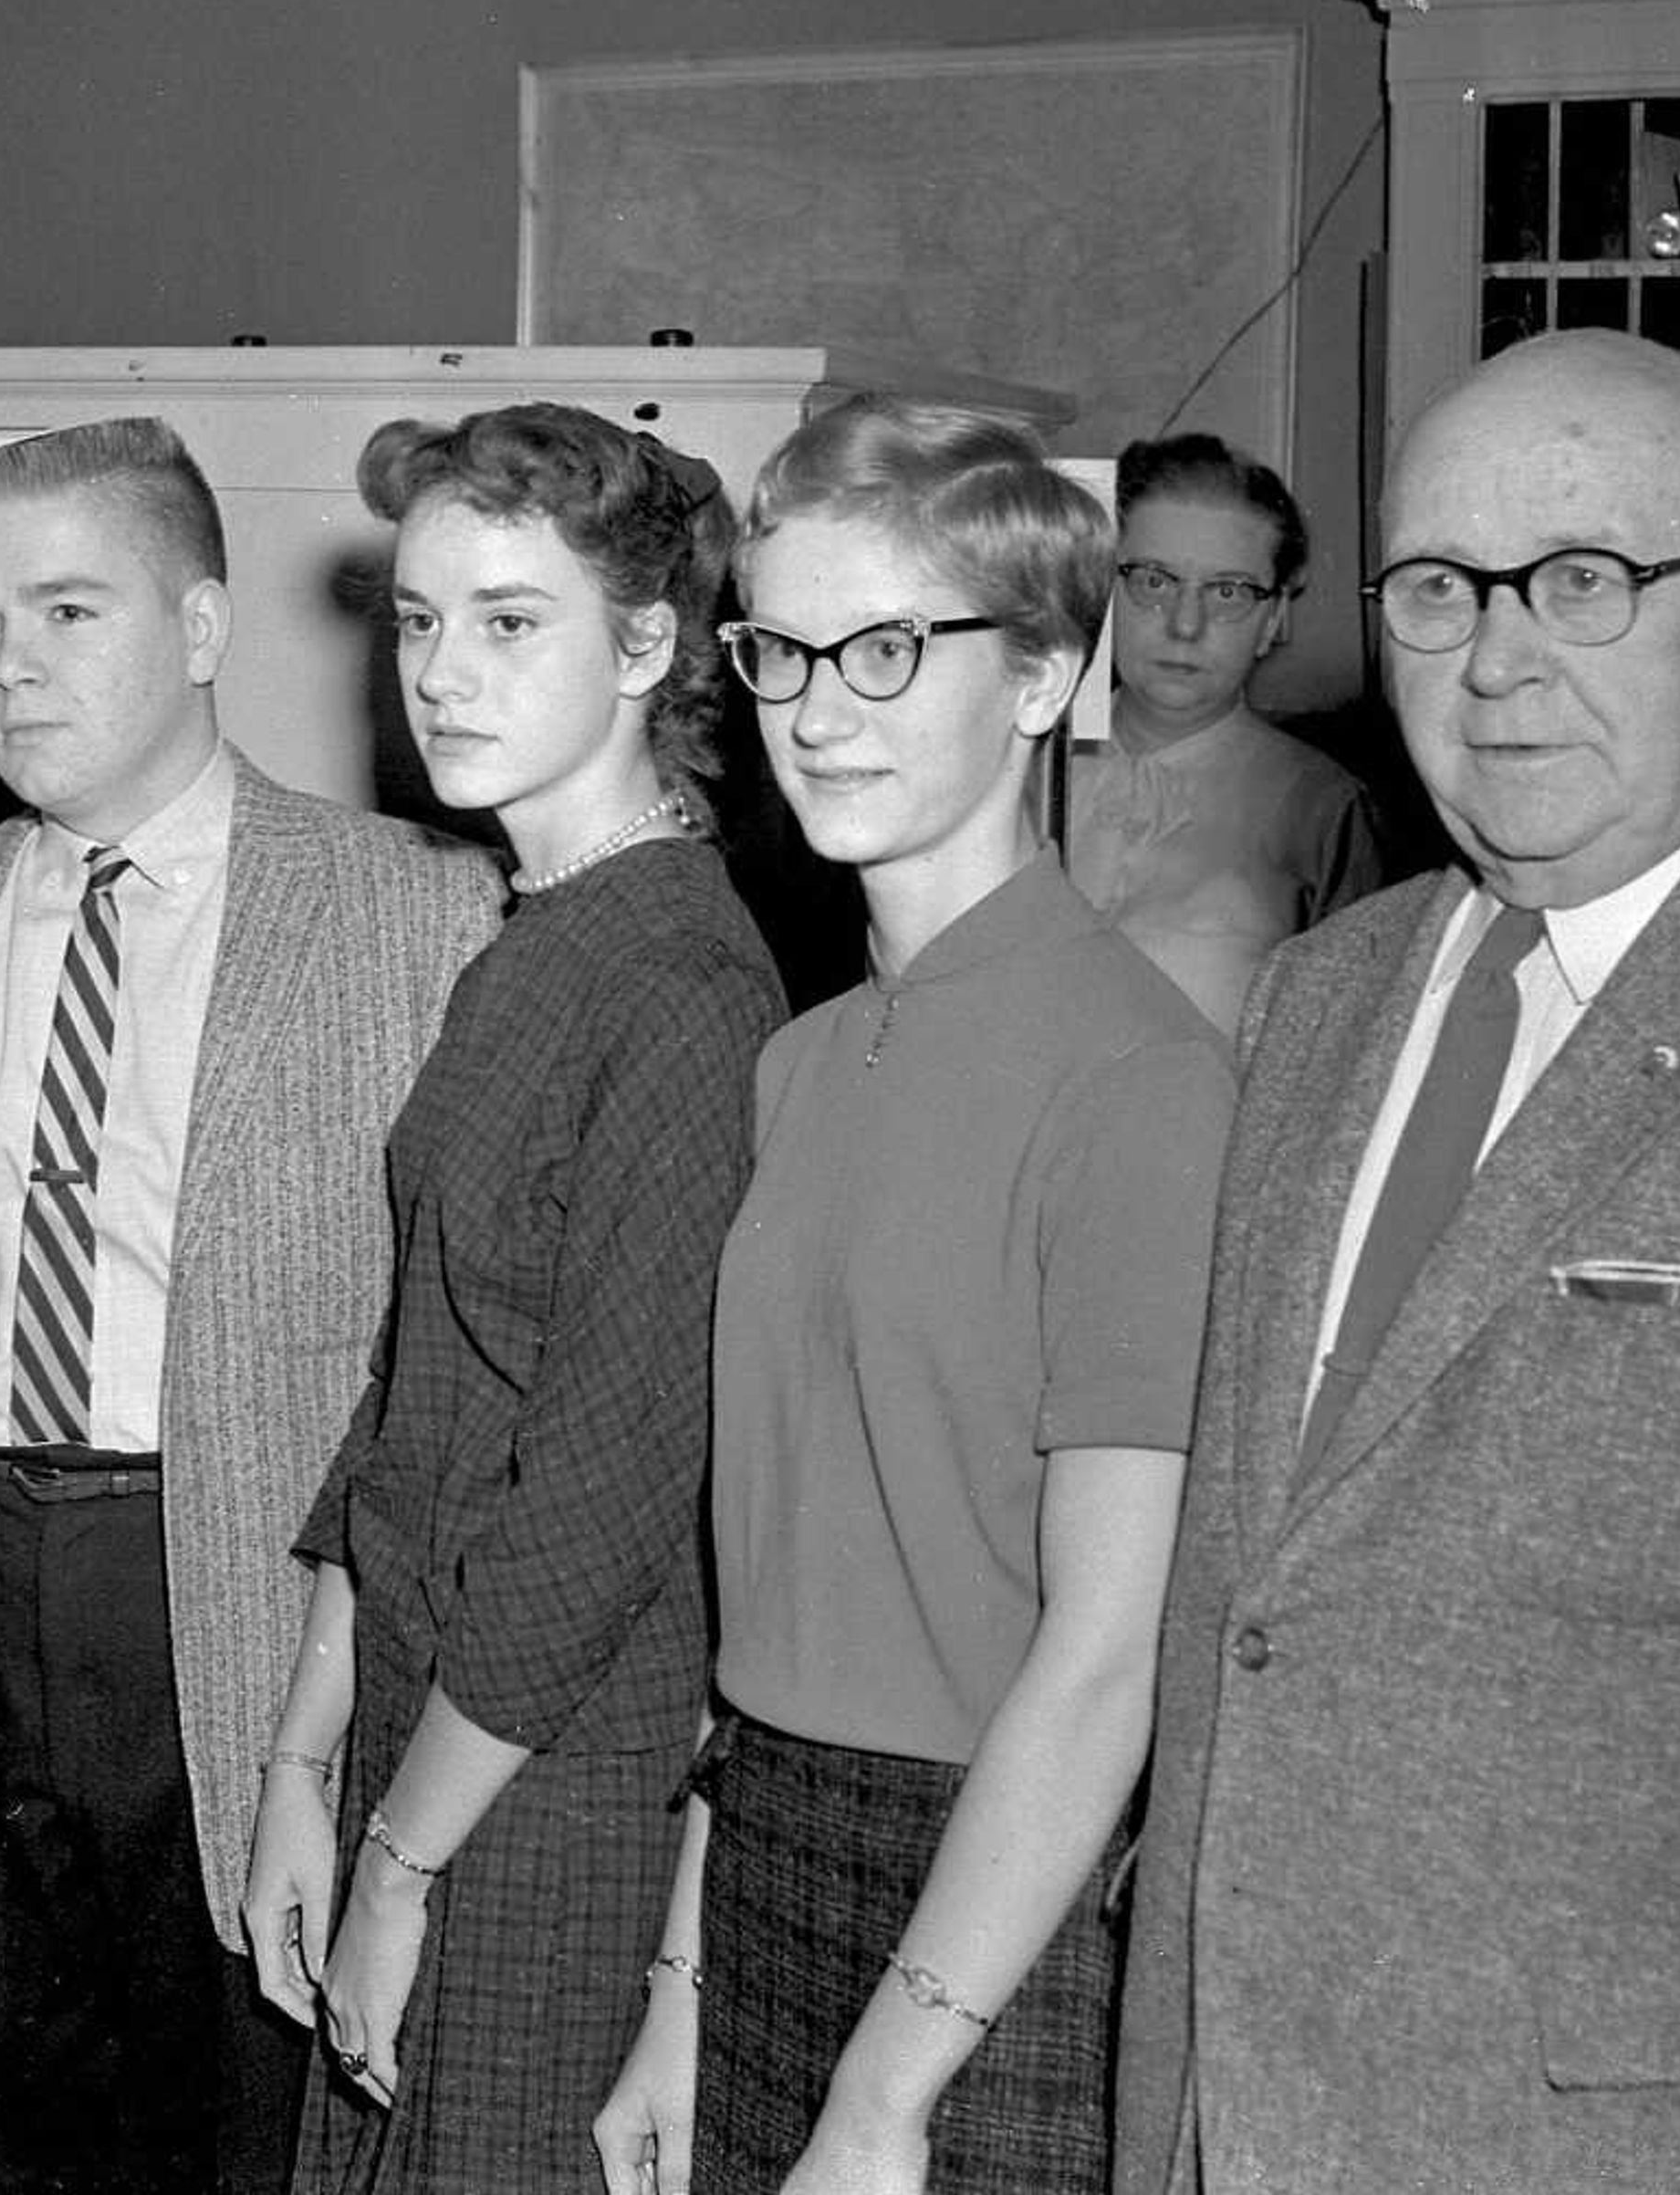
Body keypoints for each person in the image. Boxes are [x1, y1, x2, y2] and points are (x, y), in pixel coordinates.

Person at [1115, 329, 1680, 2192]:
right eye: (1437, 589)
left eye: (1585, 581)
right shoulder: (1316, 1000)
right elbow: (1241, 1624)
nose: (1495, 658)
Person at [0, 418, 497, 2194]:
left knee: (238, 2122)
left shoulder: (413, 917)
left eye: (68, 613)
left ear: (195, 626)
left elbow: (451, 1365)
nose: (10, 667)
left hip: (249, 1601)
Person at [600, 396, 1232, 2195]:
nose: (816, 706)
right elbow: (776, 1616)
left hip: (999, 1916)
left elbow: (1107, 1663)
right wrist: (681, 1986)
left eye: (886, 648)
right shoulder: (798, 1065)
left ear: (1041, 677)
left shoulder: (1137, 1084)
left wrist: (885, 2099)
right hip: (768, 1848)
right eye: (780, 648)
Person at [246, 402, 786, 2194]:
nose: (443, 674)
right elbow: (424, 1398)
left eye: (509, 621)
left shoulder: (684, 985)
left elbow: (602, 1506)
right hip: (428, 1733)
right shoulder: (531, 929)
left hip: (547, 1780)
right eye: (418, 619)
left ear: (647, 644)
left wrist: (401, 1859)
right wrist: (309, 1761)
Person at [1064, 433, 1382, 1031]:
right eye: (1154, 581)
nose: (1187, 624)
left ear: (1274, 619)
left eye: (1229, 591)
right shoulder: (1021, 771)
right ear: (1105, 590)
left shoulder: (1323, 811)